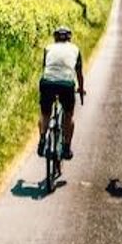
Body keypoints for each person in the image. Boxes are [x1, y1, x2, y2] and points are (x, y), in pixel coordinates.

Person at [39, 25, 85, 160]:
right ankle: (66, 147)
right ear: (69, 38)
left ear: (55, 38)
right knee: (68, 115)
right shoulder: (75, 49)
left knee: (45, 113)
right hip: (66, 84)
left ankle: (42, 138)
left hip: (47, 82)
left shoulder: (48, 48)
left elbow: (45, 67)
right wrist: (81, 89)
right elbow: (79, 73)